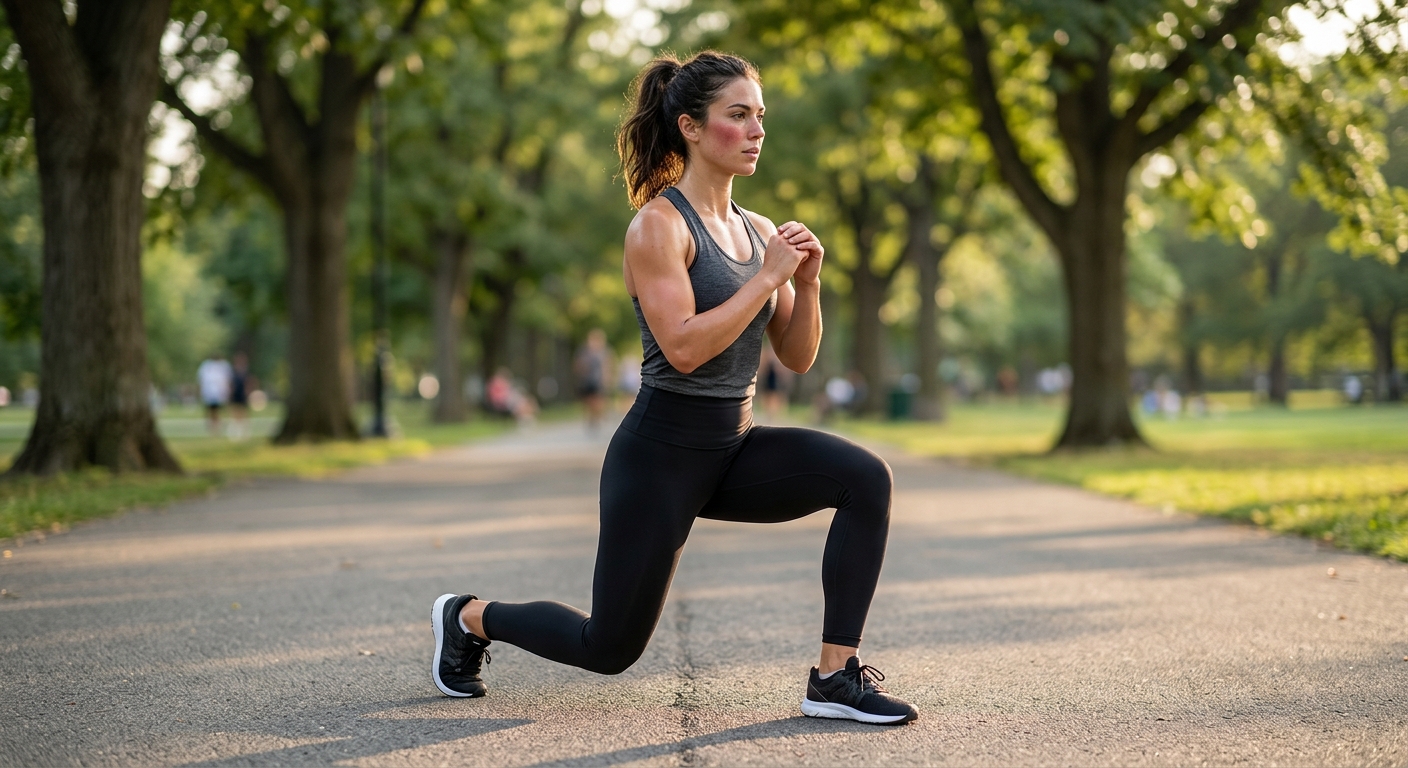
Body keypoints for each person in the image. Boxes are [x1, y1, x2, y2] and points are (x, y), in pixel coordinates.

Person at [430, 51, 917, 726]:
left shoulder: (758, 230)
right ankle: (469, 617)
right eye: (737, 116)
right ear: (690, 127)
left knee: (865, 477)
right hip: (659, 457)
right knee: (609, 648)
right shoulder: (658, 226)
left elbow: (797, 358)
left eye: (760, 117)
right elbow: (684, 348)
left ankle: (834, 678)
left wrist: (807, 285)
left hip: (733, 447)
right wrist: (767, 280)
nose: (755, 132)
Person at [575, 329, 611, 434]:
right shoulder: (584, 352)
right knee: (588, 401)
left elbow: (607, 365)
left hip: (598, 380)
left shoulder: (604, 352)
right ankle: (590, 419)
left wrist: (607, 378)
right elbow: (578, 365)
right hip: (586, 380)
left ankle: (597, 418)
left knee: (598, 400)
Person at [196, 353, 233, 436]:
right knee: (211, 411)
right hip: (210, 393)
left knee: (219, 411)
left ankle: (218, 428)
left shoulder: (223, 366)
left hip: (220, 394)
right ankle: (213, 429)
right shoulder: (206, 366)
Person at [228, 352, 254, 440]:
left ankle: (244, 432)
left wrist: (248, 393)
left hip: (243, 395)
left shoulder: (246, 372)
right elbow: (231, 384)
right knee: (235, 413)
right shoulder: (233, 372)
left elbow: (249, 383)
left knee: (244, 413)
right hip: (236, 394)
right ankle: (236, 433)